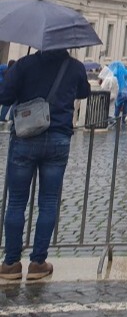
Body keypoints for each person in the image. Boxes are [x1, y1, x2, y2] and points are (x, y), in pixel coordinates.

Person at [0, 49, 91, 280]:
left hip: (25, 137)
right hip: (58, 138)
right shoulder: (75, 67)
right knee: (49, 202)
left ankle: (11, 263)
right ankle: (38, 263)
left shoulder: (24, 64)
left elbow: (5, 96)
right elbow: (84, 91)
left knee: (16, 202)